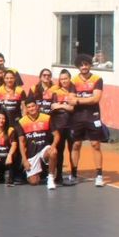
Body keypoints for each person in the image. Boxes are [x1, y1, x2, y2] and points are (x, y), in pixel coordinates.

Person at [69, 54, 106, 187]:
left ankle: (99, 175)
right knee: (76, 145)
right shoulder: (73, 81)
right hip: (77, 117)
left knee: (95, 144)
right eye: (81, 65)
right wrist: (84, 100)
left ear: (90, 65)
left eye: (86, 64)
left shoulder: (97, 79)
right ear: (78, 66)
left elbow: (95, 99)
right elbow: (70, 99)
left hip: (93, 116)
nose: (84, 67)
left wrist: (78, 100)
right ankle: (73, 174)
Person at [17, 98, 60, 190]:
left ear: (37, 106)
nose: (31, 108)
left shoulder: (46, 118)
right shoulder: (22, 122)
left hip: (44, 149)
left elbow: (56, 135)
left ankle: (51, 178)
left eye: (33, 106)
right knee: (34, 182)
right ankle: (42, 171)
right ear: (26, 109)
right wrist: (24, 160)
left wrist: (53, 146)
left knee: (53, 152)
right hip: (32, 153)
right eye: (29, 107)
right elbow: (21, 142)